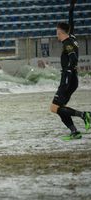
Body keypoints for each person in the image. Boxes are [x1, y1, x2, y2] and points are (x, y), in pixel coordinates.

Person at [50, 0, 90, 139]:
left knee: (54, 108)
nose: (56, 34)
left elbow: (73, 58)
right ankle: (74, 132)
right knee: (61, 109)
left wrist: (67, 71)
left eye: (57, 32)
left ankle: (84, 115)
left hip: (68, 79)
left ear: (61, 33)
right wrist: (71, 8)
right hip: (73, 79)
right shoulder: (71, 36)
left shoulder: (67, 43)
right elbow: (71, 21)